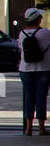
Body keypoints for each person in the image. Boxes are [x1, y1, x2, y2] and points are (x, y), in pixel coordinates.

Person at [18, 8, 50, 136]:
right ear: (38, 19)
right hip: (44, 69)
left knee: (29, 97)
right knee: (41, 97)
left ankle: (28, 127)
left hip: (25, 70)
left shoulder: (22, 34)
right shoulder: (45, 33)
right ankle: (41, 127)